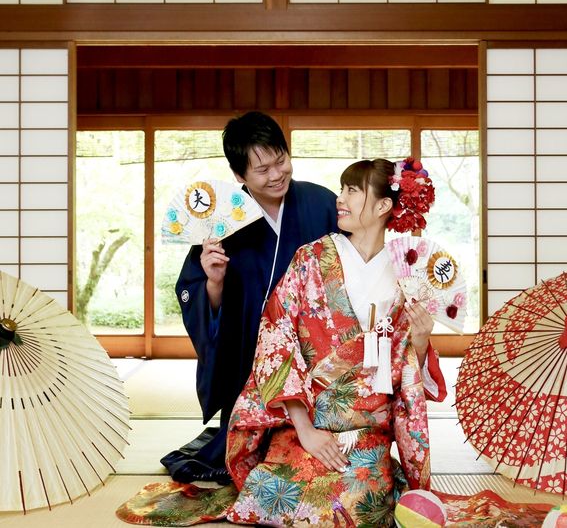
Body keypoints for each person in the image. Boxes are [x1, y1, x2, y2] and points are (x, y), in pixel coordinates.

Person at [118, 157, 447, 526]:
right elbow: (276, 341)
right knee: (273, 494)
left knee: (358, 506)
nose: (340, 198)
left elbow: (405, 375)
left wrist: (420, 341)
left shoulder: (406, 275)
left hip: (366, 430)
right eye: (342, 189)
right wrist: (306, 431)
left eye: (352, 190)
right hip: (304, 421)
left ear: (384, 205)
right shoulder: (310, 259)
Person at [161, 111, 339, 483]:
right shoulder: (222, 218)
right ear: (239, 175)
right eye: (262, 170)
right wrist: (214, 282)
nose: (276, 175)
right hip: (250, 359)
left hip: (315, 353)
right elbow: (193, 293)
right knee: (252, 461)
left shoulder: (321, 202)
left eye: (281, 161)